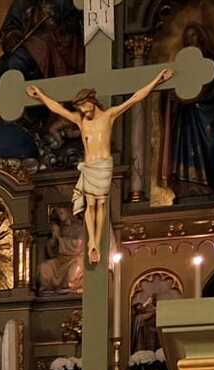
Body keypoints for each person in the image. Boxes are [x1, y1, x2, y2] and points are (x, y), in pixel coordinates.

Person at [25, 70, 173, 262]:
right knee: (90, 205)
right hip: (89, 165)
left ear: (92, 101)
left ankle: (97, 239)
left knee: (100, 204)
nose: (83, 111)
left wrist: (157, 80)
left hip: (103, 166)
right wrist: (40, 95)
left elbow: (135, 98)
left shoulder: (108, 116)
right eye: (80, 108)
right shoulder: (80, 120)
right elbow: (58, 109)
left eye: (85, 107)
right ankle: (92, 243)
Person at [160, 24, 214, 202]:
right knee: (185, 148)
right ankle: (186, 188)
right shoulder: (180, 66)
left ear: (202, 37)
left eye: (194, 35)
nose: (191, 40)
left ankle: (209, 185)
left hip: (207, 113)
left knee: (210, 147)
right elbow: (170, 90)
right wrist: (176, 98)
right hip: (187, 117)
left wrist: (197, 98)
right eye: (187, 37)